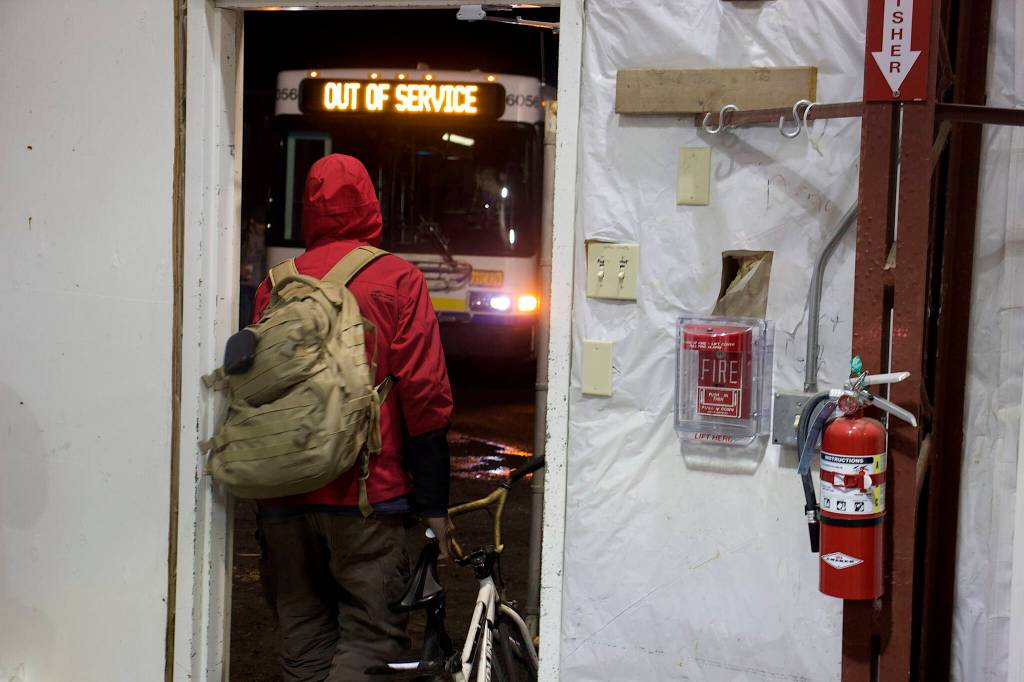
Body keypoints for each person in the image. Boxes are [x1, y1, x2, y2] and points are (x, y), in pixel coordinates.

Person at [250, 153, 454, 682]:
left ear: (308, 211)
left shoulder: (275, 286)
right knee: (370, 641)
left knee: (302, 638)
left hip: (282, 492)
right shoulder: (398, 279)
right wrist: (433, 503)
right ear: (370, 204)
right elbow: (425, 394)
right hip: (368, 494)